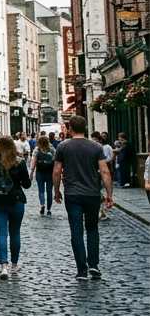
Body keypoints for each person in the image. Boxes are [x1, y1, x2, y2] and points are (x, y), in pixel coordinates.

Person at [53, 116, 115, 281]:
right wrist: (109, 194)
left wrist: (56, 190)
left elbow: (57, 171)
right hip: (92, 194)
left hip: (72, 194)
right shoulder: (96, 147)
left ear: (70, 128)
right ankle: (93, 265)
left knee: (76, 231)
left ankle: (82, 270)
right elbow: (105, 171)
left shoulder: (63, 146)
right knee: (92, 229)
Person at [0, 137, 31, 280]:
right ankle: (14, 265)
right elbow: (27, 184)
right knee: (15, 233)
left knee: (1, 233)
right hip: (16, 201)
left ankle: (3, 266)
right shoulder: (19, 162)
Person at [30, 136, 56, 216]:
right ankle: (49, 209)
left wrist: (31, 172)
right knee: (49, 191)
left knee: (41, 190)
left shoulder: (37, 149)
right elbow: (56, 161)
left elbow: (33, 162)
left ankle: (42, 205)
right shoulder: (52, 149)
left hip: (40, 172)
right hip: (50, 173)